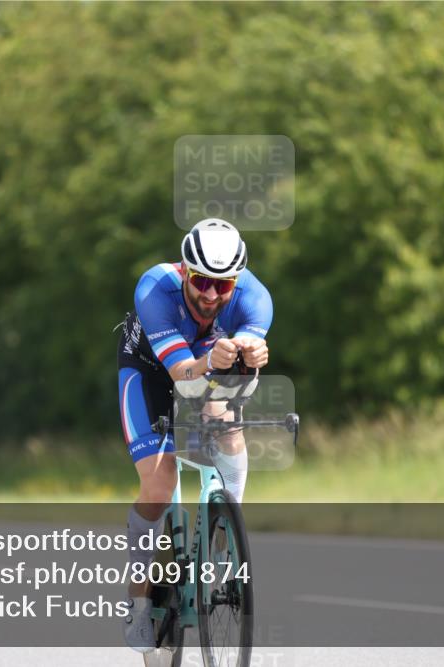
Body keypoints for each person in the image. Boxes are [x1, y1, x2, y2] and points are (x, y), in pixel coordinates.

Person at [116, 218, 272, 652]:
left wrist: (251, 359)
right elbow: (182, 374)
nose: (211, 295)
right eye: (201, 281)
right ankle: (138, 601)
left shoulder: (256, 299)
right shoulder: (155, 289)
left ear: (237, 281)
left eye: (223, 286)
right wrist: (210, 362)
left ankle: (227, 530)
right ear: (185, 271)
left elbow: (240, 380)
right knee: (160, 484)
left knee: (228, 429)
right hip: (150, 370)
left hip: (207, 365)